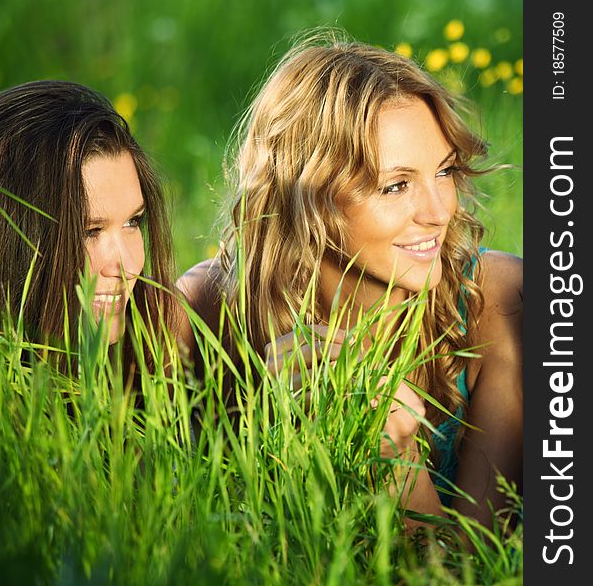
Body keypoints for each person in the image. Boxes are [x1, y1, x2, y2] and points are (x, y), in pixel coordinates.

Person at [177, 32, 523, 533]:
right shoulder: (207, 311)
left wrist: (396, 457)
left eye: (444, 171)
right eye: (396, 185)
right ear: (308, 194)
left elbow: (477, 569)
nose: (440, 210)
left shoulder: (498, 300)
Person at [0, 80, 176, 374]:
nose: (127, 265)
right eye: (90, 231)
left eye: (132, 222)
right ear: (5, 239)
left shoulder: (160, 339)